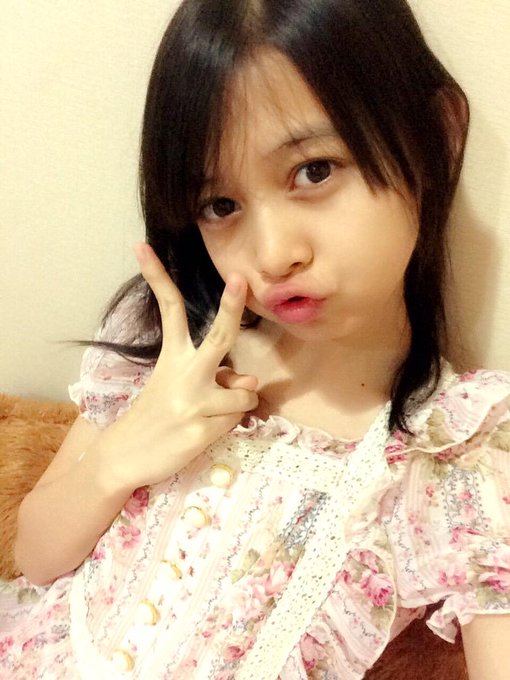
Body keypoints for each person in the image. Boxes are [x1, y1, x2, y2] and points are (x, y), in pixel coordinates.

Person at [1, 0, 509, 677]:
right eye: (221, 205)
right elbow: (35, 558)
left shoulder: (460, 451)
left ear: (440, 135)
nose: (272, 255)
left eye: (315, 170)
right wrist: (119, 455)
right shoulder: (169, 337)